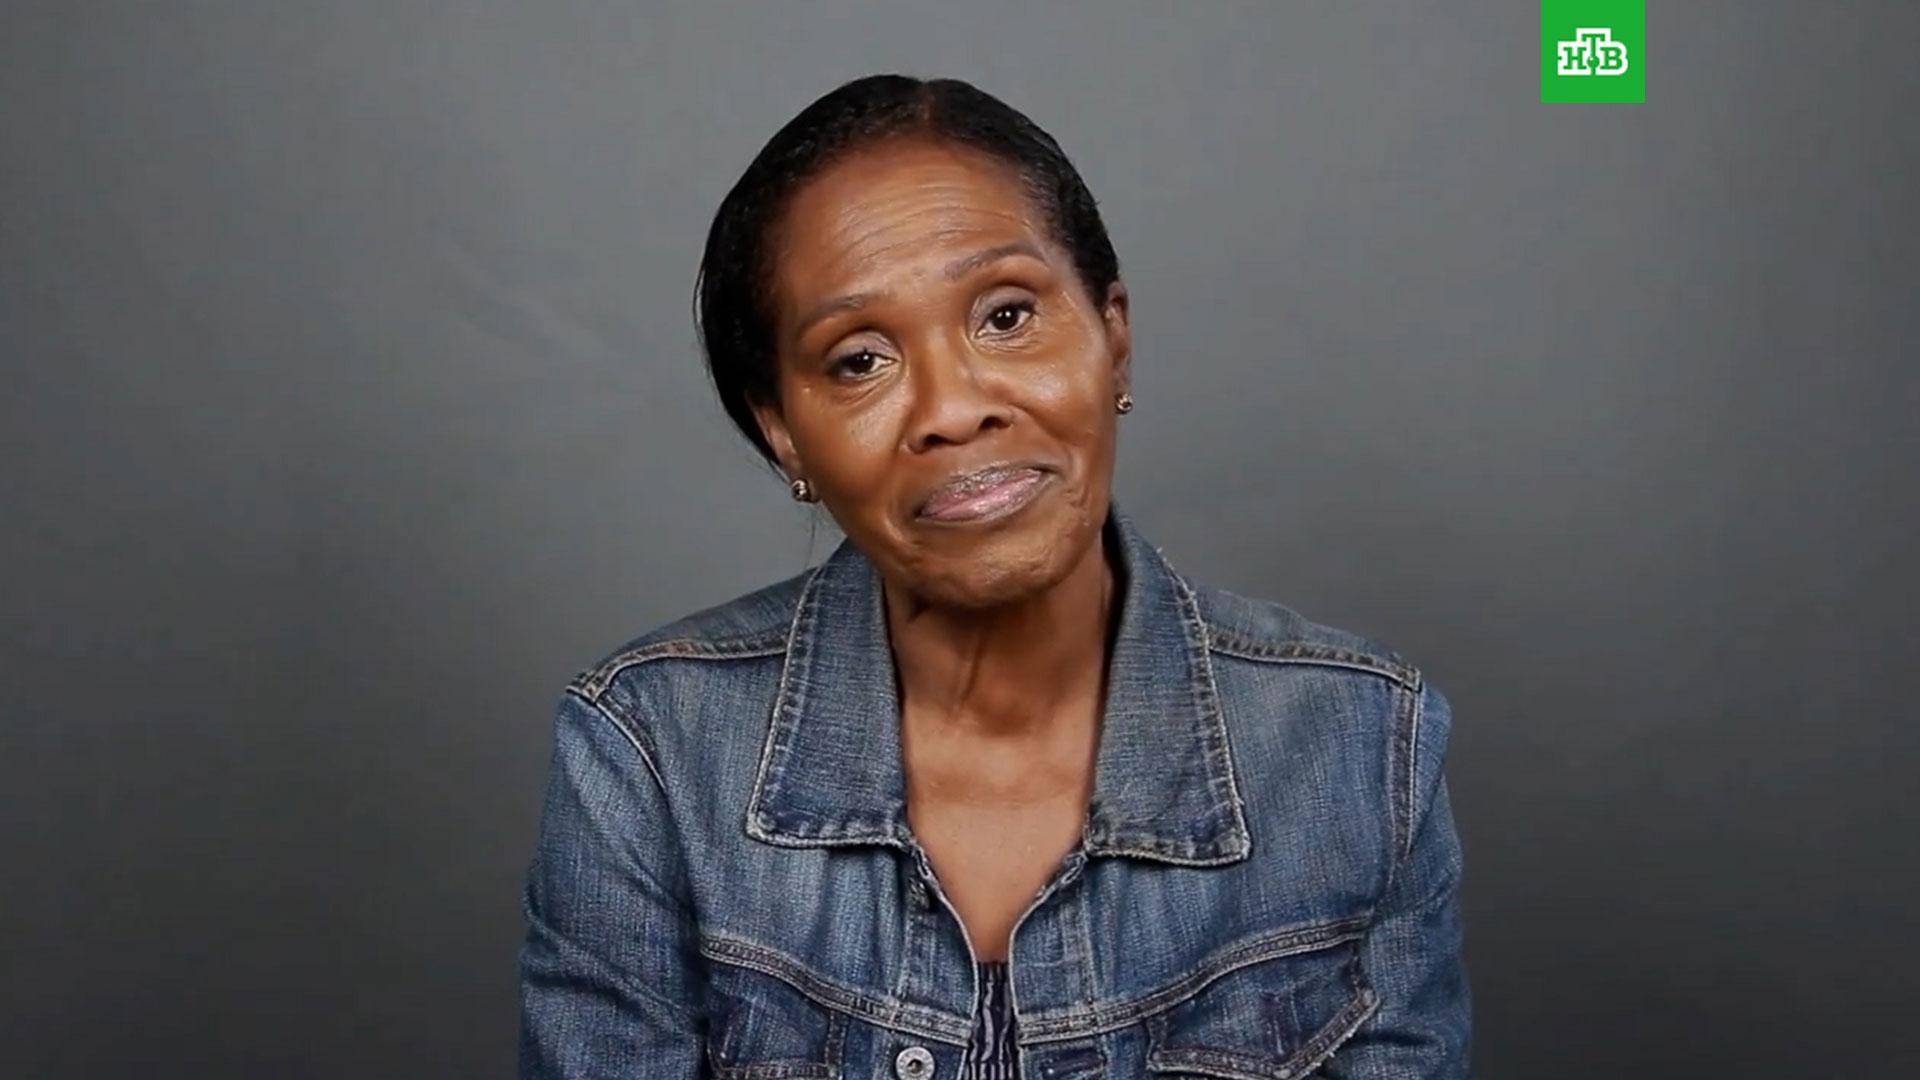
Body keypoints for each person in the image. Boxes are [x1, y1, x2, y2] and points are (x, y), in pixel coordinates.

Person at [517, 73, 1470, 1080]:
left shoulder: (1361, 746)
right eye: (859, 360)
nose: (952, 408)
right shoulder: (651, 754)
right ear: (784, 432)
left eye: (1006, 316)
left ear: (1114, 338)